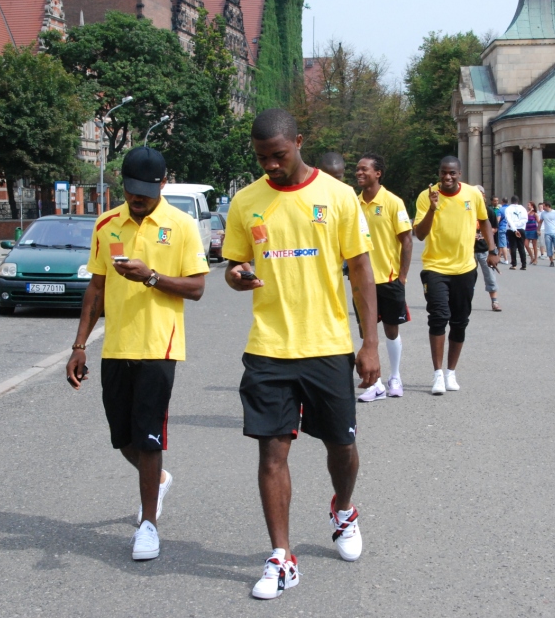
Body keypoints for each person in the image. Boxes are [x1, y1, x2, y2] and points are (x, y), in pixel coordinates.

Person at [223, 109, 380, 599]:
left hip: (327, 345)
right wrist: (236, 275)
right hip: (268, 347)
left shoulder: (337, 197)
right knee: (271, 452)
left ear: (298, 142)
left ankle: (343, 508)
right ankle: (282, 556)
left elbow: (361, 270)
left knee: (342, 447)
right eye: (261, 158)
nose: (270, 165)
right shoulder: (246, 201)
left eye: (278, 155)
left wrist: (370, 343)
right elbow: (234, 264)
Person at [65, 147, 208, 562]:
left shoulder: (180, 225)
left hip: (159, 347)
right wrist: (79, 346)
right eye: (130, 189)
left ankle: (148, 525)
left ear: (162, 184)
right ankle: (157, 479)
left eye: (145, 190)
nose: (137, 197)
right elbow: (96, 287)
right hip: (116, 347)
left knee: (148, 436)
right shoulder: (106, 224)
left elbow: (197, 288)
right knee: (122, 438)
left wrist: (152, 277)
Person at [413, 157, 499, 395]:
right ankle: (437, 374)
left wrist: (493, 250)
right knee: (438, 317)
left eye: (452, 173)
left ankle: (451, 372)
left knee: (460, 322)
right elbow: (420, 234)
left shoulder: (472, 194)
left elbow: (484, 221)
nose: (447, 177)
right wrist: (432, 208)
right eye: (443, 173)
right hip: (435, 267)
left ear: (459, 173)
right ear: (439, 173)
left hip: (465, 268)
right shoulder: (426, 196)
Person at [355, 153, 413, 401]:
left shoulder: (393, 202)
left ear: (377, 173)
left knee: (391, 330)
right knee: (367, 334)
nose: (359, 173)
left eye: (364, 169)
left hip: (389, 279)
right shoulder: (353, 203)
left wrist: (402, 276)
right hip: (362, 282)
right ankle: (376, 384)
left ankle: (395, 377)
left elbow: (407, 240)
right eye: (357, 169)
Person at [473, 185, 501, 312]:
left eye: (479, 194)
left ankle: (495, 301)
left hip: (484, 249)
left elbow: (494, 228)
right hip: (469, 250)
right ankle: (465, 302)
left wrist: (483, 235)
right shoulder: (467, 210)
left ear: (483, 195)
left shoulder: (488, 211)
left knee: (490, 276)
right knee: (467, 278)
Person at [503, 196, 528, 270]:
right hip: (521, 229)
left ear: (511, 201)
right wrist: (518, 225)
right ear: (518, 201)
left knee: (513, 246)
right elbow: (525, 219)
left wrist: (514, 228)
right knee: (521, 247)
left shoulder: (508, 209)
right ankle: (524, 265)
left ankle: (514, 264)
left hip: (511, 229)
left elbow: (509, 220)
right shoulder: (523, 208)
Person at [538, 201, 555, 267]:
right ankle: (551, 261)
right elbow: (540, 222)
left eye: (544, 206)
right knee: (549, 248)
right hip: (547, 233)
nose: (543, 207)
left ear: (548, 206)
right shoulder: (543, 213)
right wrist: (538, 230)